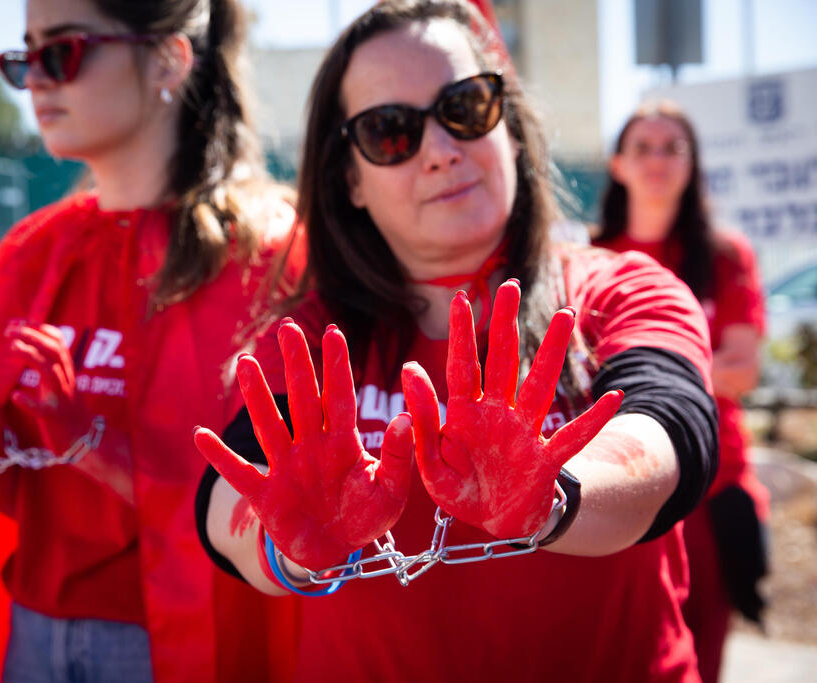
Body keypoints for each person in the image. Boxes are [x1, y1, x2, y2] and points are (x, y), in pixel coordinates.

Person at [194, 1, 721, 680]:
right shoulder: (313, 335)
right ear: (348, 179)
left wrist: (552, 496)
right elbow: (232, 492)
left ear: (513, 129)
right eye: (390, 132)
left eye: (466, 107)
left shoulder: (623, 289)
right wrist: (287, 549)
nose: (441, 151)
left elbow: (670, 434)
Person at [0, 0, 301, 680]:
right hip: (35, 628)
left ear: (168, 57)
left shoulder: (268, 257)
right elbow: (27, 499)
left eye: (63, 52)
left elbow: (276, 516)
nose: (38, 82)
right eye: (25, 58)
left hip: (185, 645)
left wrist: (94, 444)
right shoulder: (31, 250)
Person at [594, 100, 769, 683]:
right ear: (618, 165)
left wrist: (648, 374)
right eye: (643, 146)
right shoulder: (593, 258)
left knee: (698, 655)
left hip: (711, 489)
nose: (658, 161)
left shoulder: (723, 256)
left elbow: (743, 370)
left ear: (693, 164)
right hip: (617, 485)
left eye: (673, 147)